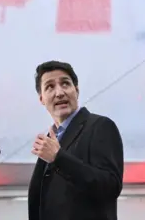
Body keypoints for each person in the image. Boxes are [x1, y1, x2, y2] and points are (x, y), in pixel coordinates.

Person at [28, 60, 124, 220]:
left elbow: (110, 186)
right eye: (50, 87)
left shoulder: (100, 127)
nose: (59, 93)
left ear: (76, 91)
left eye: (65, 84)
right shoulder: (50, 140)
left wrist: (59, 158)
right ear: (42, 99)